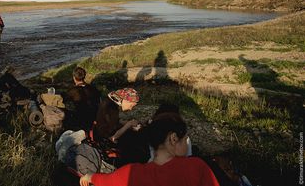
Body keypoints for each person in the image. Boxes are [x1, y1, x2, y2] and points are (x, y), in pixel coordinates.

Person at [80, 113, 220, 186]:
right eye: (185, 140)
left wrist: (89, 177)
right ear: (173, 139)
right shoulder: (196, 166)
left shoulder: (131, 172)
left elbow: (106, 181)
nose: (187, 144)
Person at [63, 67, 101, 132]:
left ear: (74, 77)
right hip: (94, 117)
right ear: (84, 76)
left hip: (80, 122)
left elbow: (65, 103)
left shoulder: (72, 91)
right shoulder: (93, 88)